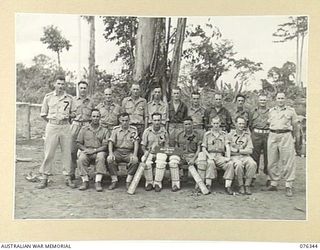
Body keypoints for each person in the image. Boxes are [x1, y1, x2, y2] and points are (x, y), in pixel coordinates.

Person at [36, 75, 76, 189]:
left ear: (65, 85)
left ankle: (68, 177)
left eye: (63, 84)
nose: (60, 86)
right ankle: (44, 177)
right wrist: (52, 121)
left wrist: (67, 116)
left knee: (67, 152)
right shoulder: (48, 97)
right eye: (58, 84)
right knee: (49, 152)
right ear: (55, 84)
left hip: (65, 127)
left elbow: (74, 113)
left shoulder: (69, 98)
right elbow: (43, 114)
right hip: (52, 126)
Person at [264, 92, 298, 197]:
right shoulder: (271, 111)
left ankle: (288, 185)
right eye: (278, 98)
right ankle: (274, 183)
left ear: (285, 99)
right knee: (271, 161)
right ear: (276, 99)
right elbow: (269, 123)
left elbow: (295, 125)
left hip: (286, 135)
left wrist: (294, 137)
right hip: (273, 134)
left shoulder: (291, 111)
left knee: (287, 161)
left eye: (282, 98)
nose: (280, 100)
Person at [76, 109, 109, 192]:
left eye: (97, 116)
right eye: (94, 116)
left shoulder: (104, 130)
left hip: (98, 150)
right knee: (81, 158)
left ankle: (98, 181)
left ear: (100, 117)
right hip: (87, 150)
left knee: (101, 157)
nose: (95, 118)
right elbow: (79, 143)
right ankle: (85, 181)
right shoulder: (84, 129)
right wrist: (85, 150)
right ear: (91, 117)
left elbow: (105, 146)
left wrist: (94, 150)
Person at [202, 116, 234, 194]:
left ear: (220, 124)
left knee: (230, 164)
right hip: (211, 154)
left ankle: (228, 186)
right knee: (210, 163)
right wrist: (209, 156)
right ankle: (208, 185)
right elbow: (203, 148)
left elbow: (227, 146)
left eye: (217, 123)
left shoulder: (224, 134)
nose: (216, 125)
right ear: (211, 124)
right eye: (214, 123)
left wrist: (228, 157)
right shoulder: (207, 134)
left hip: (220, 156)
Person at [107, 112, 139, 190]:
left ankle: (128, 181)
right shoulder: (116, 130)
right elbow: (111, 142)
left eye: (126, 120)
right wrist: (111, 153)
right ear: (120, 121)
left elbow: (136, 143)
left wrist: (134, 155)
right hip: (118, 151)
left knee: (135, 161)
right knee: (109, 159)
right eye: (123, 121)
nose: (125, 122)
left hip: (128, 152)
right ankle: (114, 180)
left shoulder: (133, 130)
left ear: (129, 120)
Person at [70, 81, 95, 181]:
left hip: (87, 126)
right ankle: (71, 172)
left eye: (85, 88)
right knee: (72, 151)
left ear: (87, 89)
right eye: (81, 88)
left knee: (86, 150)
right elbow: (68, 114)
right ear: (78, 89)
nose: (83, 90)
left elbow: (94, 115)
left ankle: (86, 174)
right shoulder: (73, 100)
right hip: (76, 125)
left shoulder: (91, 102)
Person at [174, 117, 206, 191]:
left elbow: (199, 149)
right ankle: (176, 184)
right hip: (182, 156)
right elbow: (176, 147)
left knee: (201, 162)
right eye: (186, 124)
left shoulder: (197, 135)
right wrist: (180, 154)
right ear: (183, 125)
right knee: (173, 162)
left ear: (192, 125)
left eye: (189, 124)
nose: (187, 126)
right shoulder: (179, 135)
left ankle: (199, 185)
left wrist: (193, 159)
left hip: (193, 156)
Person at [228, 116, 257, 195]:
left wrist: (238, 150)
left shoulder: (247, 135)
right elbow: (229, 150)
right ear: (235, 124)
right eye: (239, 123)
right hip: (234, 157)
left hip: (245, 156)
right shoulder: (230, 135)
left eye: (243, 124)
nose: (241, 126)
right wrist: (241, 151)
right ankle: (241, 185)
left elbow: (250, 150)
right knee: (239, 164)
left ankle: (247, 185)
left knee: (252, 163)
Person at [141, 113, 169, 191]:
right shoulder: (147, 131)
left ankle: (157, 183)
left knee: (161, 160)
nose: (157, 122)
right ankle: (149, 182)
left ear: (161, 121)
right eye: (155, 120)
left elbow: (167, 146)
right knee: (145, 160)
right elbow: (143, 145)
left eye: (158, 120)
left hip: (160, 152)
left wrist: (162, 151)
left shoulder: (164, 131)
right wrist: (145, 152)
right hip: (149, 152)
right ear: (151, 121)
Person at [249, 93, 270, 186]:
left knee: (268, 156)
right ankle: (253, 176)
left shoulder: (271, 111)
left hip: (267, 134)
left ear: (267, 101)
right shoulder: (253, 111)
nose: (262, 102)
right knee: (254, 156)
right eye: (261, 100)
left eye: (264, 100)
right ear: (258, 101)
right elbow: (250, 124)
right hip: (256, 134)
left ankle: (269, 177)